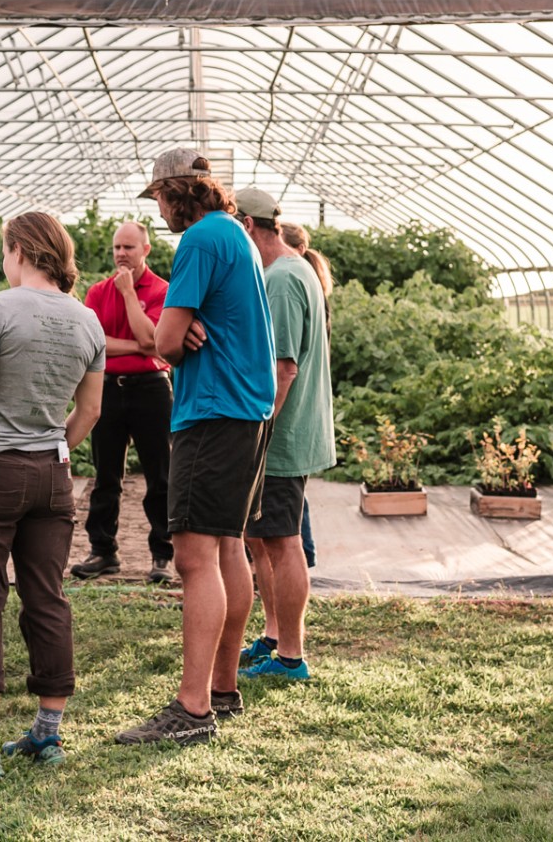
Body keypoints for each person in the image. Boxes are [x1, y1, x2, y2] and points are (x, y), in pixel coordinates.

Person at [116, 150, 275, 747]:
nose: (157, 210)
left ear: (181, 192)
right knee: (227, 545)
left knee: (193, 557)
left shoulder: (200, 242)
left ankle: (191, 708)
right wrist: (182, 330)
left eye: (159, 197)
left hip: (211, 412)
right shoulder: (233, 234)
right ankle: (224, 689)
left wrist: (177, 334)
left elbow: (165, 342)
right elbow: (180, 332)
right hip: (246, 412)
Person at [0, 212, 105, 780]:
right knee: (47, 596)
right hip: (51, 476)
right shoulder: (88, 320)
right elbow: (90, 412)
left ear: (18, 250)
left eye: (5, 251)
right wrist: (55, 444)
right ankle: (47, 734)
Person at [235, 191, 334, 681]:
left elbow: (285, 368)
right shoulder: (292, 271)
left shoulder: (282, 279)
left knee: (283, 541)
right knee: (262, 537)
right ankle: (274, 636)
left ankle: (291, 656)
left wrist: (258, 429)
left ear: (251, 226)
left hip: (281, 435)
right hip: (283, 433)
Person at [72, 220, 174, 584]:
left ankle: (162, 554)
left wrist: (130, 294)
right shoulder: (98, 292)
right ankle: (103, 551)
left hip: (151, 387)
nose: (120, 254)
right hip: (108, 387)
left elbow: (156, 341)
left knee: (159, 476)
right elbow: (92, 343)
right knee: (106, 476)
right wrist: (140, 346)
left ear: (145, 250)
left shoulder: (163, 290)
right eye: (117, 247)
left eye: (128, 248)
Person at [280, 221, 334, 568]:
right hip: (307, 409)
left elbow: (287, 365)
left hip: (293, 412)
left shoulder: (290, 284)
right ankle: (304, 554)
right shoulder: (312, 285)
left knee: (289, 510)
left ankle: (305, 554)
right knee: (294, 497)